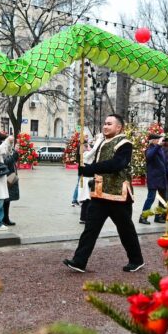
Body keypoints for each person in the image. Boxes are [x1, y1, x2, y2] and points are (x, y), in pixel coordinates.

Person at [63, 113, 145, 273]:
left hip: (118, 195)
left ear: (119, 127)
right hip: (100, 193)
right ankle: (79, 261)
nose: (105, 126)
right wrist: (85, 169)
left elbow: (116, 164)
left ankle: (137, 260)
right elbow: (97, 164)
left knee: (125, 230)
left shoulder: (125, 143)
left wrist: (90, 169)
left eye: (109, 124)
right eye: (105, 123)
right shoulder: (102, 143)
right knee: (90, 228)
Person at [140, 133, 168, 224]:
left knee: (163, 199)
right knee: (151, 198)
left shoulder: (160, 150)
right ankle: (143, 217)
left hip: (162, 178)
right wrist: (158, 145)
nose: (161, 141)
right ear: (153, 140)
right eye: (158, 139)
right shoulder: (149, 149)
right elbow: (149, 156)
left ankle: (158, 217)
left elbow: (165, 163)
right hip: (154, 178)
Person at [1, 147, 19, 227]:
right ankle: (2, 219)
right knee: (4, 200)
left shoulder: (9, 151)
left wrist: (15, 152)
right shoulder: (2, 150)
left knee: (7, 200)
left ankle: (6, 218)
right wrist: (15, 154)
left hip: (9, 178)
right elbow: (7, 162)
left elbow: (14, 160)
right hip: (5, 178)